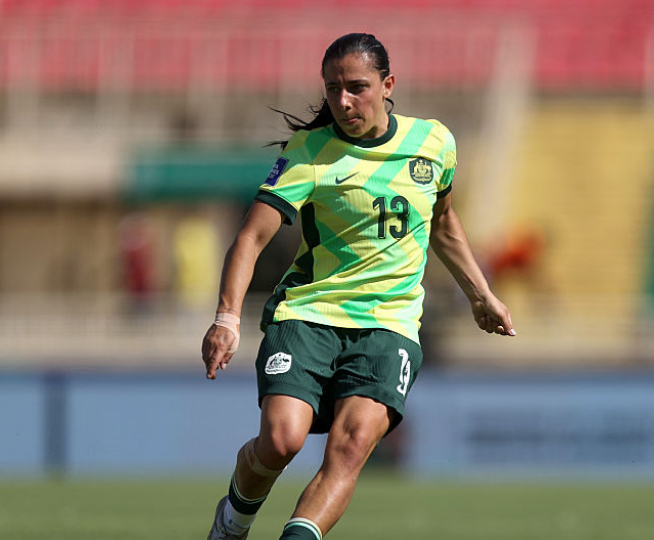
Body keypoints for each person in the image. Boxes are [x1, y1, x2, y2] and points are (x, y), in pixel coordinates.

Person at [200, 33, 515, 540]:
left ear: (388, 85)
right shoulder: (310, 152)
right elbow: (251, 237)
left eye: (357, 87)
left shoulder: (434, 143)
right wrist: (226, 319)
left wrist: (481, 295)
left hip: (389, 326)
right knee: (281, 441)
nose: (343, 101)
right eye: (332, 89)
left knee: (348, 450)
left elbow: (442, 223)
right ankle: (232, 521)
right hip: (309, 314)